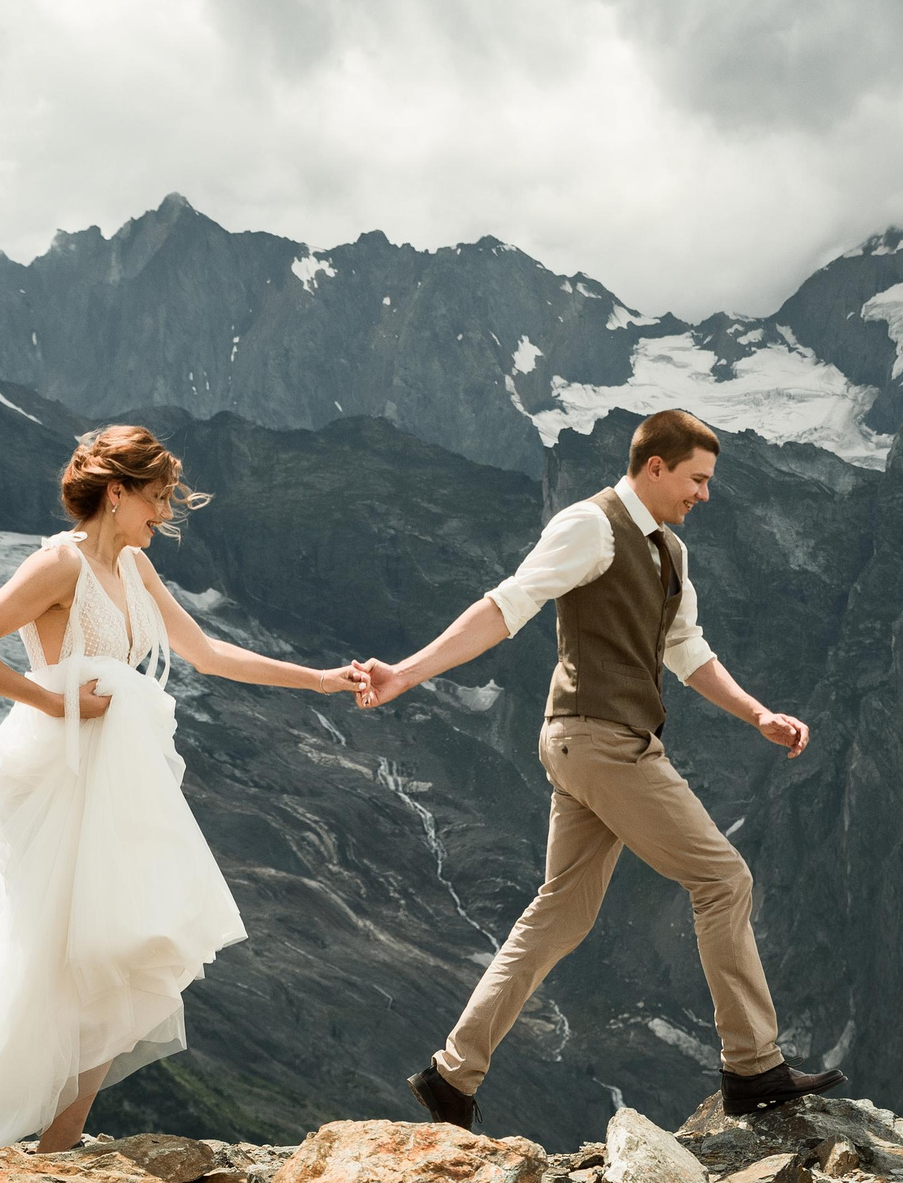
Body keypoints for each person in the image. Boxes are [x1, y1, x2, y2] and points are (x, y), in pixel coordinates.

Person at [0, 426, 365, 1163]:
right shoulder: (58, 564)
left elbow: (207, 653)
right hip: (56, 766)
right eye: (156, 498)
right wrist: (56, 703)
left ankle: (59, 1144)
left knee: (119, 941)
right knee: (58, 948)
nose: (163, 515)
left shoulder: (135, 568)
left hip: (116, 772)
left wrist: (322, 679)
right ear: (117, 491)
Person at [359, 407, 845, 1129]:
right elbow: (506, 604)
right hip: (602, 742)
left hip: (590, 743)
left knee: (561, 910)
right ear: (655, 466)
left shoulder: (670, 554)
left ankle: (452, 1074)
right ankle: (752, 1066)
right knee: (723, 878)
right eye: (696, 479)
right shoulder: (590, 525)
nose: (704, 494)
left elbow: (687, 652)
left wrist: (758, 714)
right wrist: (407, 671)